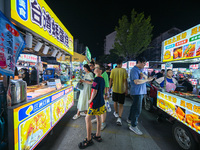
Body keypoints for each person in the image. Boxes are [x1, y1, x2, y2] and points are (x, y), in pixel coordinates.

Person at [78, 64, 106, 149]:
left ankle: (89, 139)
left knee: (87, 118)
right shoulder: (102, 79)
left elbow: (94, 91)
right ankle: (98, 135)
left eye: (96, 68)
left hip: (94, 103)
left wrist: (90, 100)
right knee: (98, 117)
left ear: (100, 71)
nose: (94, 68)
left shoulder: (96, 79)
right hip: (101, 102)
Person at [128, 57, 154, 135]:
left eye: (145, 63)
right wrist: (147, 80)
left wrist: (147, 78)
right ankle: (133, 125)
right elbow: (137, 81)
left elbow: (145, 77)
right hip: (137, 92)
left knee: (134, 106)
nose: (144, 65)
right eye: (143, 63)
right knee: (137, 109)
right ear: (139, 62)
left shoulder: (141, 70)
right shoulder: (134, 70)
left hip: (141, 92)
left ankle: (130, 119)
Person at [91, 62, 110, 130]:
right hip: (98, 95)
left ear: (100, 69)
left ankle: (103, 122)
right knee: (98, 107)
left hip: (102, 94)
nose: (94, 68)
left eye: (96, 67)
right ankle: (98, 119)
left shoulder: (104, 74)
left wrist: (106, 94)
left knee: (103, 109)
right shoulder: (97, 75)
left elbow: (107, 85)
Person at [109, 58, 128, 126]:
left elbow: (110, 80)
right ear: (121, 63)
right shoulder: (124, 70)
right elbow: (125, 80)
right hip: (122, 90)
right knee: (121, 104)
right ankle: (119, 118)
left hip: (115, 89)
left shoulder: (113, 70)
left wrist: (109, 88)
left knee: (115, 101)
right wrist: (126, 89)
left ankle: (116, 112)